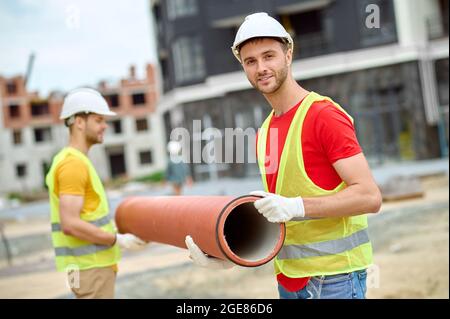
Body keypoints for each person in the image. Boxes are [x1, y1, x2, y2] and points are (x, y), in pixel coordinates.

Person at [186, 12, 382, 299]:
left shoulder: (323, 115)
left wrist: (296, 206)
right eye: (250, 61)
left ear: (288, 55)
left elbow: (369, 197)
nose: (261, 67)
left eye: (269, 56)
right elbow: (280, 213)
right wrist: (228, 252)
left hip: (335, 282)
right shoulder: (266, 130)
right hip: (289, 282)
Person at [46, 88, 148, 299]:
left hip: (84, 267)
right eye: (99, 120)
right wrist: (116, 240)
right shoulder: (73, 164)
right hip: (91, 268)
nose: (105, 126)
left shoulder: (70, 160)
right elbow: (70, 224)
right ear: (79, 122)